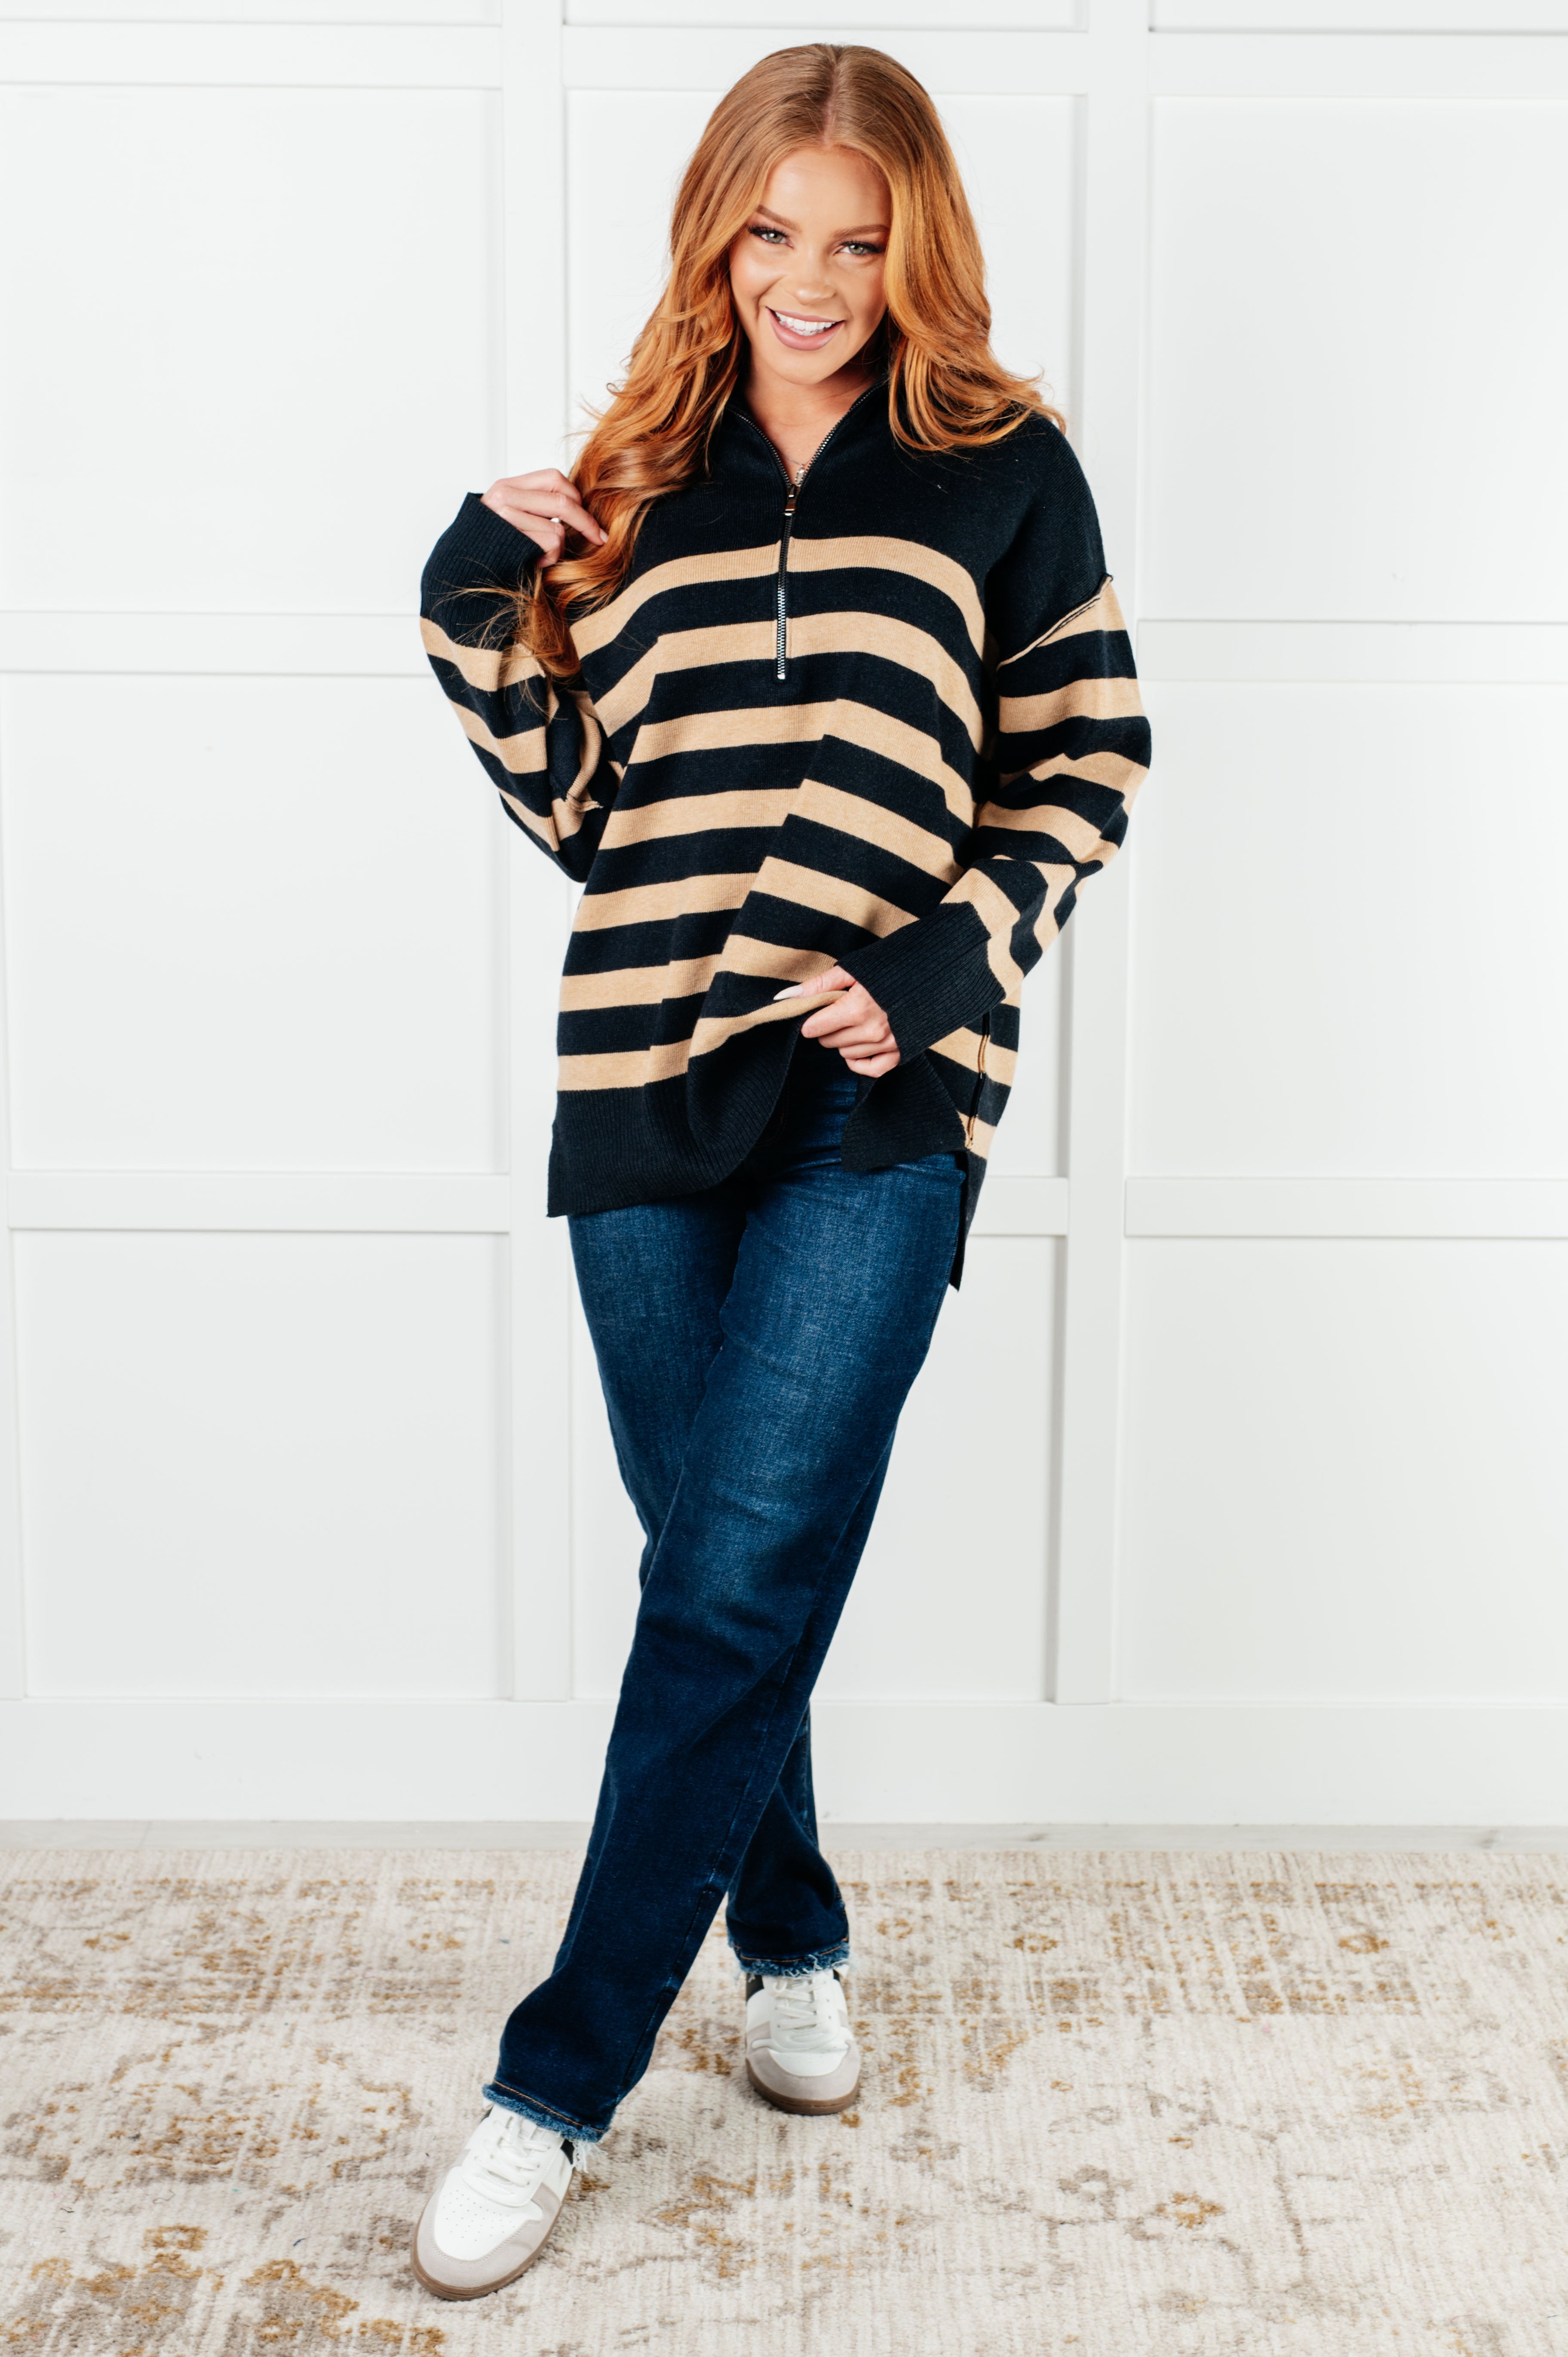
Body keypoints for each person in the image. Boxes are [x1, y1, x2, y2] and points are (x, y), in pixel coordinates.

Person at [411, 40, 1150, 2301]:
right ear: (714, 232)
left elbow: (1089, 762)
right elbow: (586, 808)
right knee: (716, 1568)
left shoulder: (1003, 469)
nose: (809, 279)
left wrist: (936, 961)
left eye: (857, 239)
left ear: (915, 248)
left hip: (878, 1093)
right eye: (771, 232)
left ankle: (552, 2087)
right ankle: (796, 1934)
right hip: (644, 1074)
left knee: (737, 1572)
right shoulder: (640, 474)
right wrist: (471, 595)